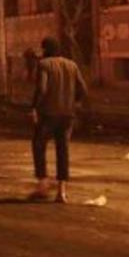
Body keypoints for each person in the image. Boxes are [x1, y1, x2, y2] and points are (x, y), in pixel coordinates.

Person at [29, 37, 88, 204]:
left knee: (38, 145)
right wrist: (73, 102)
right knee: (63, 150)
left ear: (46, 49)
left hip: (48, 114)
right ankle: (62, 192)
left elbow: (42, 88)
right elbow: (82, 89)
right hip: (68, 115)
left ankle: (43, 184)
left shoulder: (44, 65)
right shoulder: (72, 65)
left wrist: (34, 107)